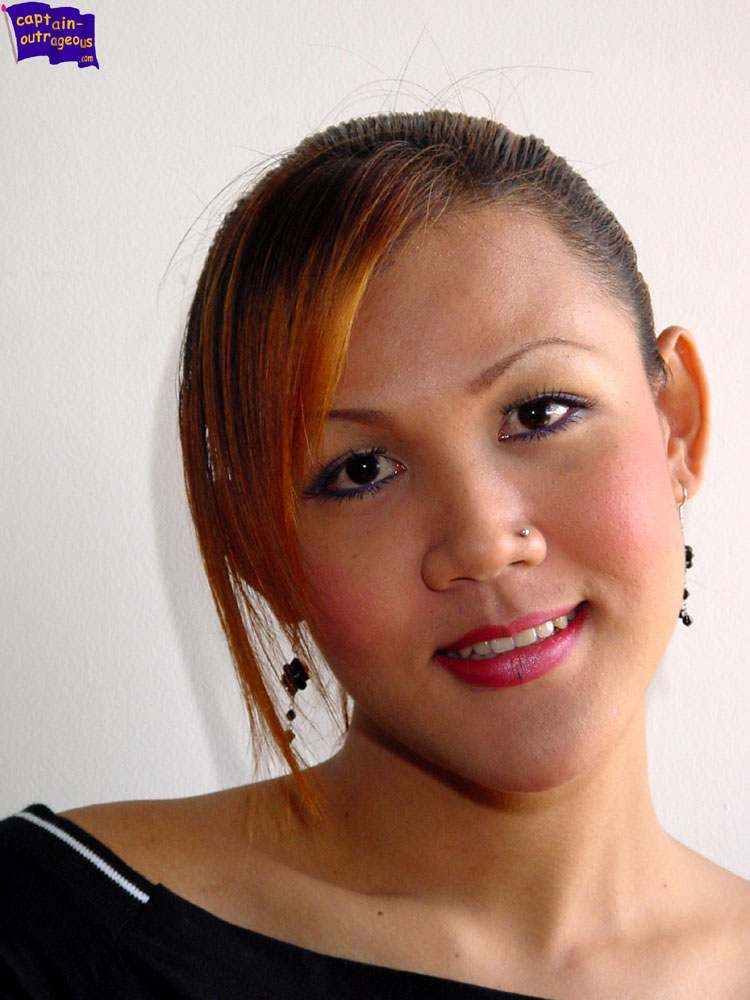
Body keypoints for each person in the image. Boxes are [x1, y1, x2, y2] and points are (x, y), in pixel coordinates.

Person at [2, 109, 748, 1000]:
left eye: (539, 413)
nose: (482, 542)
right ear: (262, 553)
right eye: (360, 471)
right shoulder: (48, 941)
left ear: (677, 424)